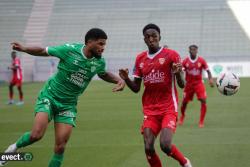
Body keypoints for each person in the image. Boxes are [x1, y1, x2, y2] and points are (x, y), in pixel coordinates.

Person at [0, 28, 125, 167]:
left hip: (68, 105)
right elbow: (43, 51)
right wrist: (24, 48)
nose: (103, 48)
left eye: (104, 45)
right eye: (101, 44)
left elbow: (103, 74)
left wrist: (119, 80)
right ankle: (13, 148)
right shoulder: (69, 50)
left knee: (60, 146)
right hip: (50, 96)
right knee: (36, 135)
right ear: (90, 42)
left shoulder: (99, 62)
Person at [119, 24, 192, 167]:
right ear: (144, 39)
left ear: (160, 37)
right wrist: (126, 78)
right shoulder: (140, 59)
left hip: (168, 108)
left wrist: (177, 73)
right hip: (150, 110)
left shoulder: (172, 55)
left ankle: (185, 163)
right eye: (148, 37)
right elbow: (136, 88)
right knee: (148, 147)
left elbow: (182, 84)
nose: (151, 39)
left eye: (154, 36)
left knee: (165, 145)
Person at [179, 45, 214, 128]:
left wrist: (210, 79)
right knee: (184, 103)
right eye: (192, 50)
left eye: (195, 50)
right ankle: (182, 116)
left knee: (203, 100)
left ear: (197, 51)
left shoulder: (201, 60)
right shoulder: (185, 61)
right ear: (189, 51)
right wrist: (181, 78)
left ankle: (201, 121)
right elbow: (181, 71)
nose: (193, 51)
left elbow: (208, 71)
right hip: (188, 84)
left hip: (198, 83)